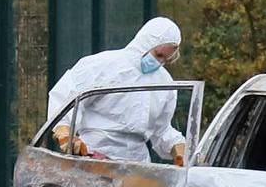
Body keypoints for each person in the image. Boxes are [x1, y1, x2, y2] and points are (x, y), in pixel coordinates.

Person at [45, 17, 187, 164]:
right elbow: (67, 96)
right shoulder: (103, 64)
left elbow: (161, 129)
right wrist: (64, 130)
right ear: (146, 43)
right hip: (92, 158)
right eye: (158, 55)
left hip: (138, 166)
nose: (160, 62)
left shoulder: (164, 82)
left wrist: (178, 147)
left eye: (166, 59)